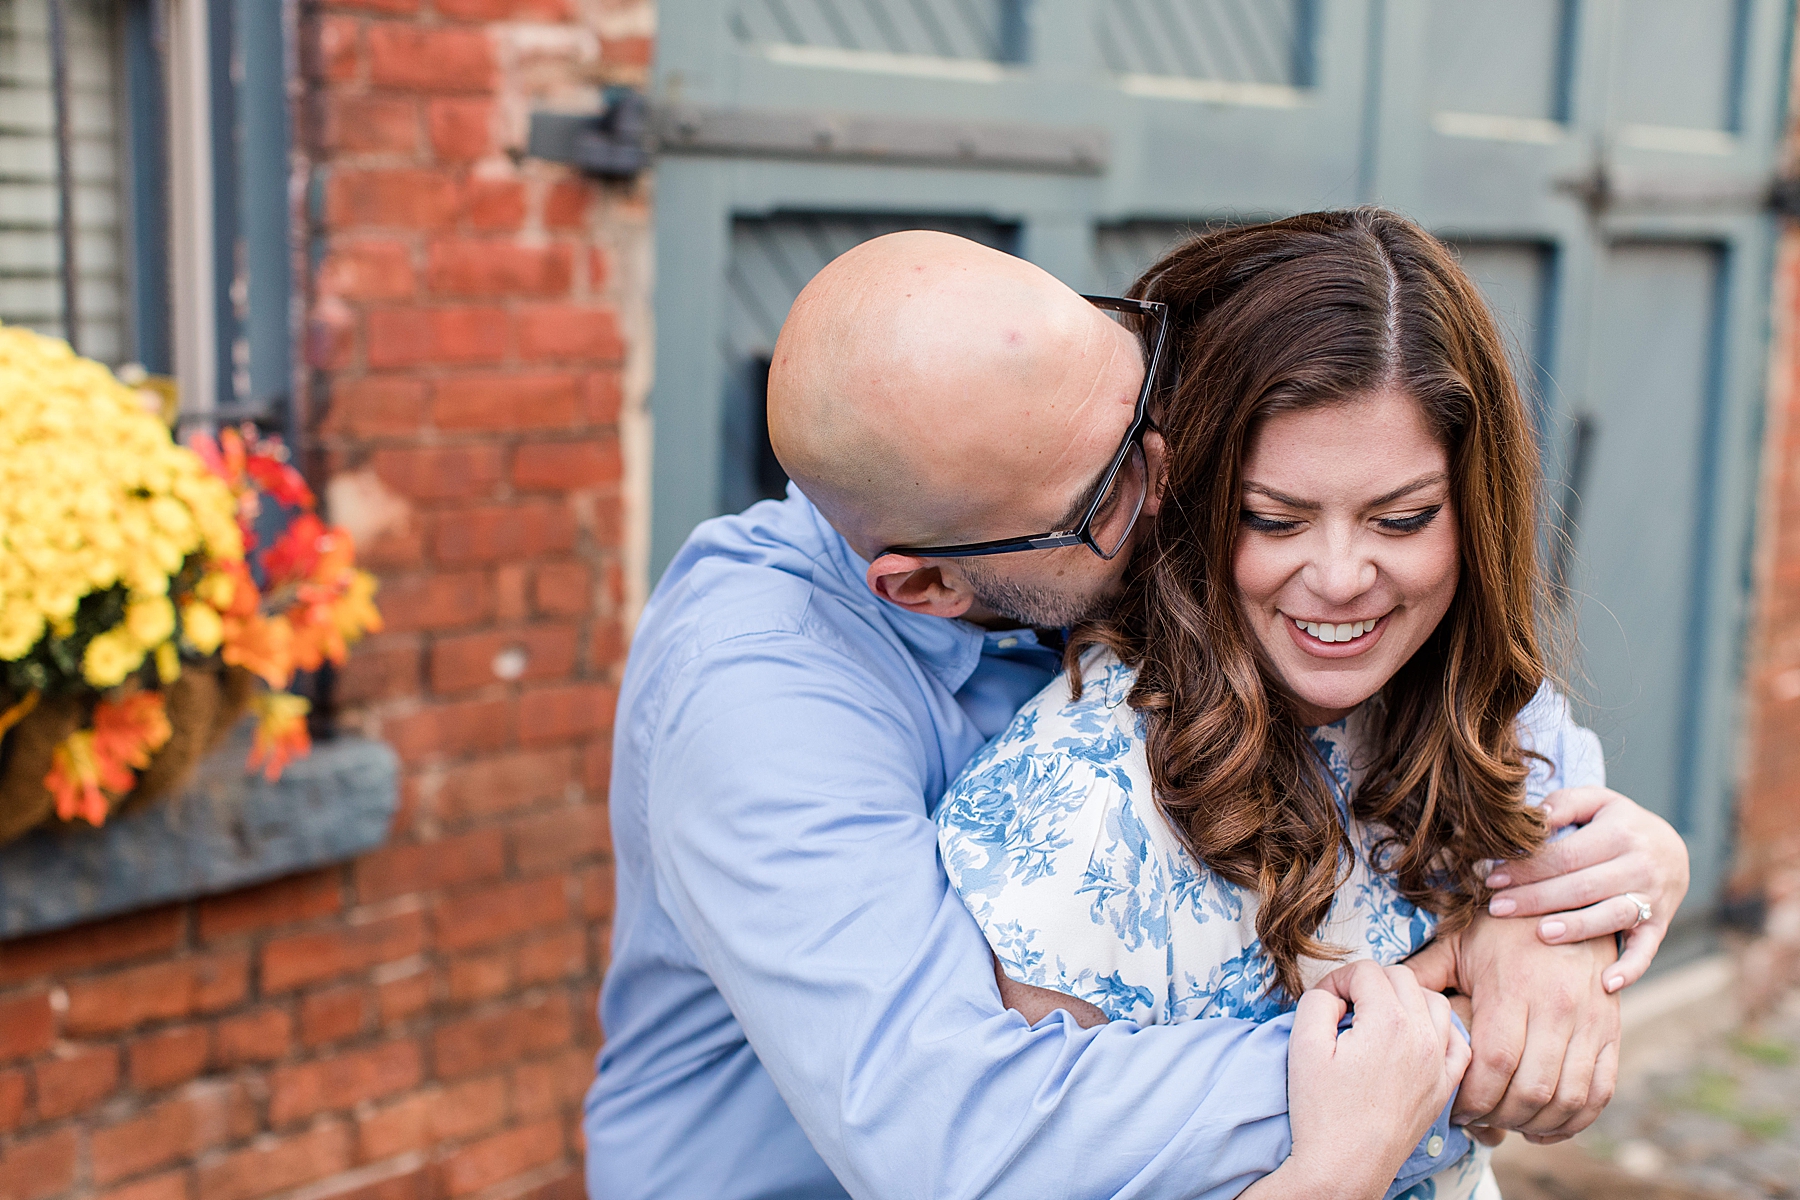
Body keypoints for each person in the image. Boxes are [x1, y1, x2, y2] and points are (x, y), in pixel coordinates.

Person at [585, 229, 1691, 1199]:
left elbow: (1436, 650)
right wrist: (1425, 1041)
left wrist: (1561, 892)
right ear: (928, 585)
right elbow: (960, 1142)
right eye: (1119, 486)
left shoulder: (1065, 424)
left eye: (1155, 405)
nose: (1185, 486)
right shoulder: (754, 704)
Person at [936, 209, 1649, 1199]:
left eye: (1404, 517)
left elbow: (1590, 852)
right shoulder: (1081, 808)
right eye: (1273, 517)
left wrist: (1551, 930)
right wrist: (1344, 1162)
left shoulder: (1472, 706)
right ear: (1177, 498)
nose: (1344, 576)